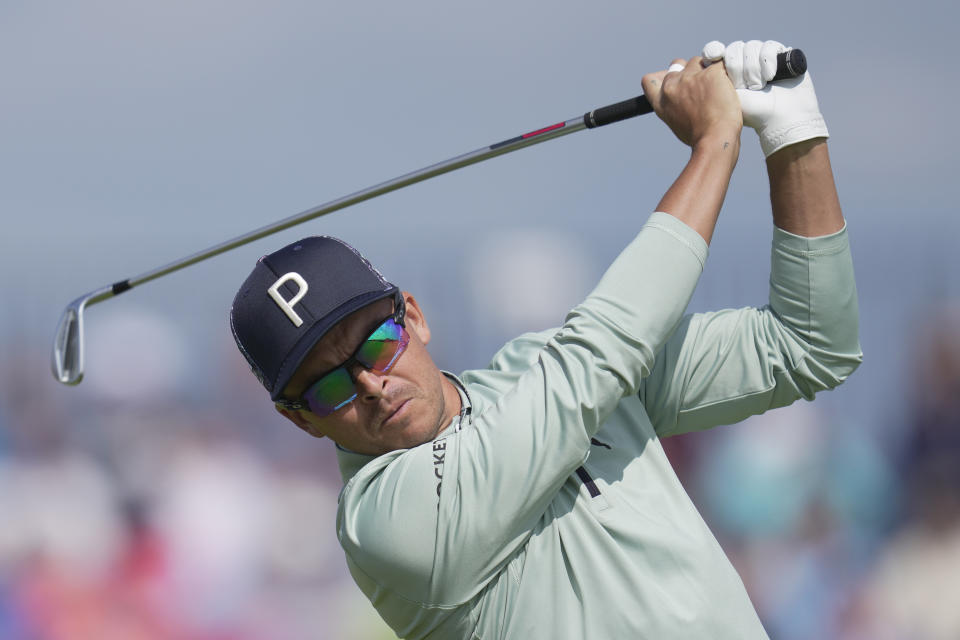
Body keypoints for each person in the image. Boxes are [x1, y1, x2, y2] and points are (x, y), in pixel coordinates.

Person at [229, 40, 862, 639]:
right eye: (331, 384)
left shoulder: (536, 367)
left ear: (414, 317)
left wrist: (790, 131)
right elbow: (589, 365)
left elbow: (805, 345)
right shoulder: (379, 522)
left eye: (375, 345)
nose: (370, 383)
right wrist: (715, 143)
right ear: (300, 421)